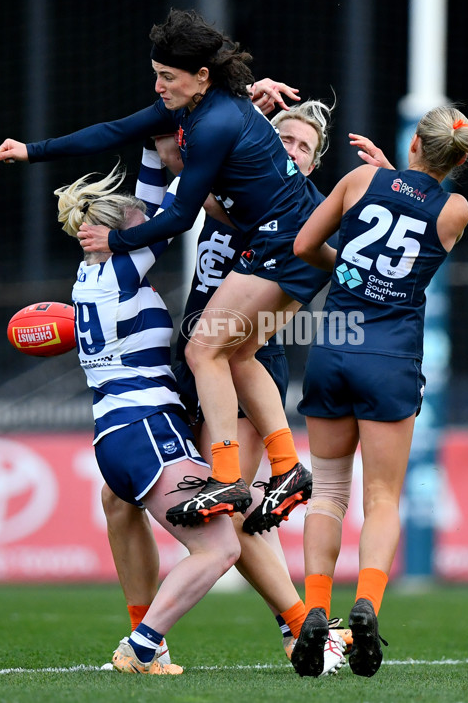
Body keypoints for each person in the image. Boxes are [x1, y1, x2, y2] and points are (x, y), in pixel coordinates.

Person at [0, 9, 330, 534]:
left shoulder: (215, 122)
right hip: (297, 241)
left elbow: (178, 215)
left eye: (167, 77)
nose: (158, 86)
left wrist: (116, 239)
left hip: (283, 243)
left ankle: (228, 475)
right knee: (235, 353)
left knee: (203, 348)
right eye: (156, 74)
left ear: (202, 77)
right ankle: (287, 467)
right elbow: (113, 130)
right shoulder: (203, 107)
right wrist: (32, 151)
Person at [289, 106, 468, 678]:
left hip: (333, 347)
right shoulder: (456, 209)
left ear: (412, 144)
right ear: (461, 159)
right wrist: (403, 180)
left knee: (328, 491)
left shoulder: (358, 180)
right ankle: (368, 606)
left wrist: (350, 265)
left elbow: (307, 245)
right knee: (381, 498)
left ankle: (313, 608)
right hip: (391, 358)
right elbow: (412, 220)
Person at [99, 100, 348, 674]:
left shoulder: (295, 217)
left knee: (227, 514)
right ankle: (148, 633)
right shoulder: (227, 186)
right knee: (117, 497)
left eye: (302, 147)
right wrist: (233, 106)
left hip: (242, 365)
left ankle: (305, 629)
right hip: (191, 362)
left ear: (308, 168)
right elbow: (173, 145)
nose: (288, 149)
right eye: (281, 137)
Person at [55, 162, 241, 675]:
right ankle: (140, 645)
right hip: (147, 430)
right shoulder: (119, 266)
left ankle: (148, 643)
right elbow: (175, 208)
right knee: (219, 547)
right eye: (138, 226)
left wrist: (158, 147)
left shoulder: (90, 272)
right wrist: (218, 129)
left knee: (124, 508)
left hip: (115, 436)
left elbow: (152, 198)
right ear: (119, 235)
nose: (148, 230)